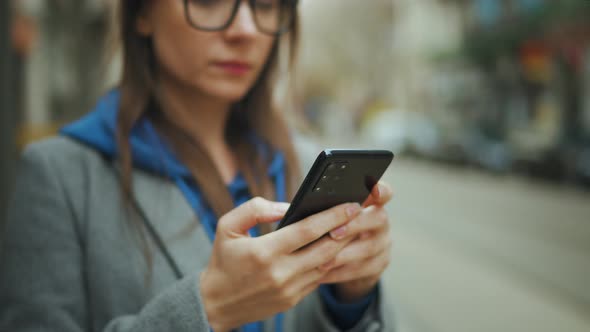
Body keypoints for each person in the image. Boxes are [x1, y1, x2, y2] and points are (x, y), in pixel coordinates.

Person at [0, 1, 395, 331]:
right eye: (209, 0)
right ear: (142, 14)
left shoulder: (304, 162)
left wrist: (353, 297)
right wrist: (210, 308)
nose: (245, 29)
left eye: (264, 5)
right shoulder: (61, 175)